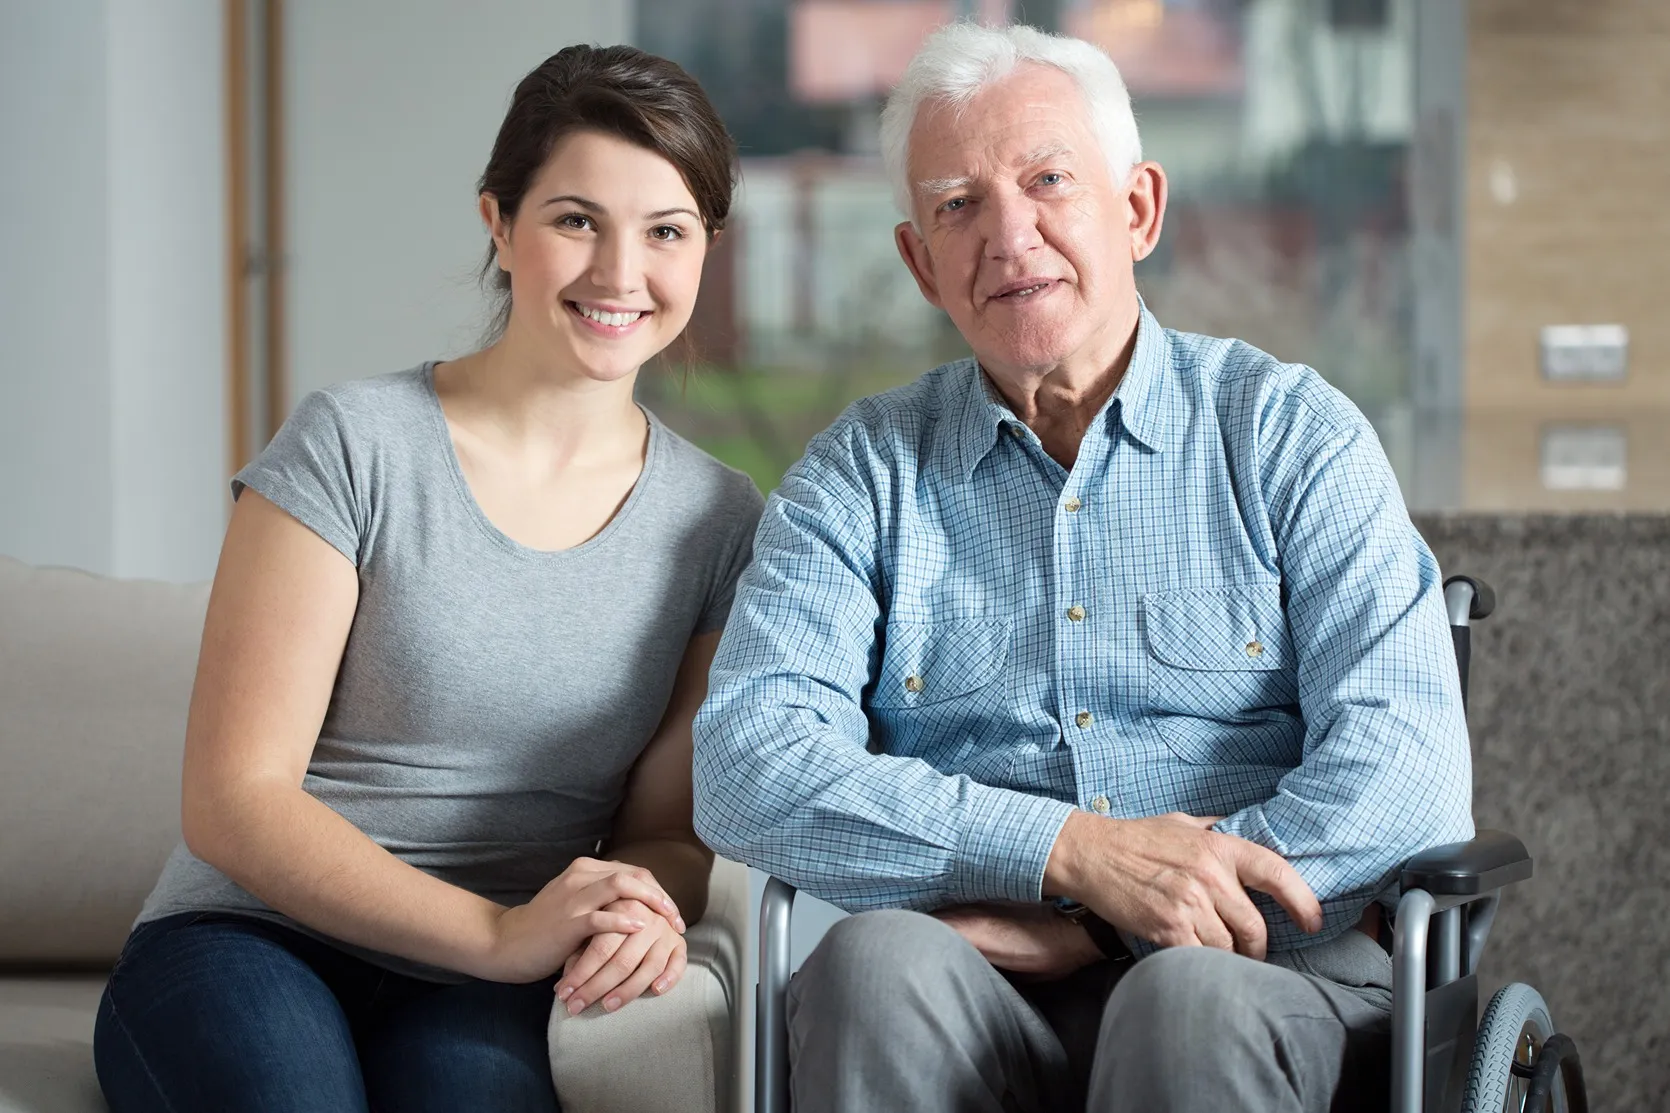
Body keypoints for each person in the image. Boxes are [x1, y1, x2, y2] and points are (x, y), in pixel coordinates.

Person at [692, 22, 1471, 1113]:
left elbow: (1407, 776)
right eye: (957, 204)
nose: (1009, 238)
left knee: (1180, 1000)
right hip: (980, 982)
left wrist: (1112, 917)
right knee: (867, 965)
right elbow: (744, 765)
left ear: (1137, 208)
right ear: (920, 261)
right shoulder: (858, 478)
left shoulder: (1291, 437)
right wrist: (1061, 852)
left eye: (1047, 180)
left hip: (1273, 984)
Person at [93, 44, 762, 1113]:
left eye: (666, 232)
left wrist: (638, 899)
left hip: (488, 981)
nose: (619, 274)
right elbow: (234, 799)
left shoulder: (718, 522)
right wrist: (496, 934)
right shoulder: (354, 443)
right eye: (575, 219)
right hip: (251, 939)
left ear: (704, 252)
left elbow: (663, 833)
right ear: (499, 222)